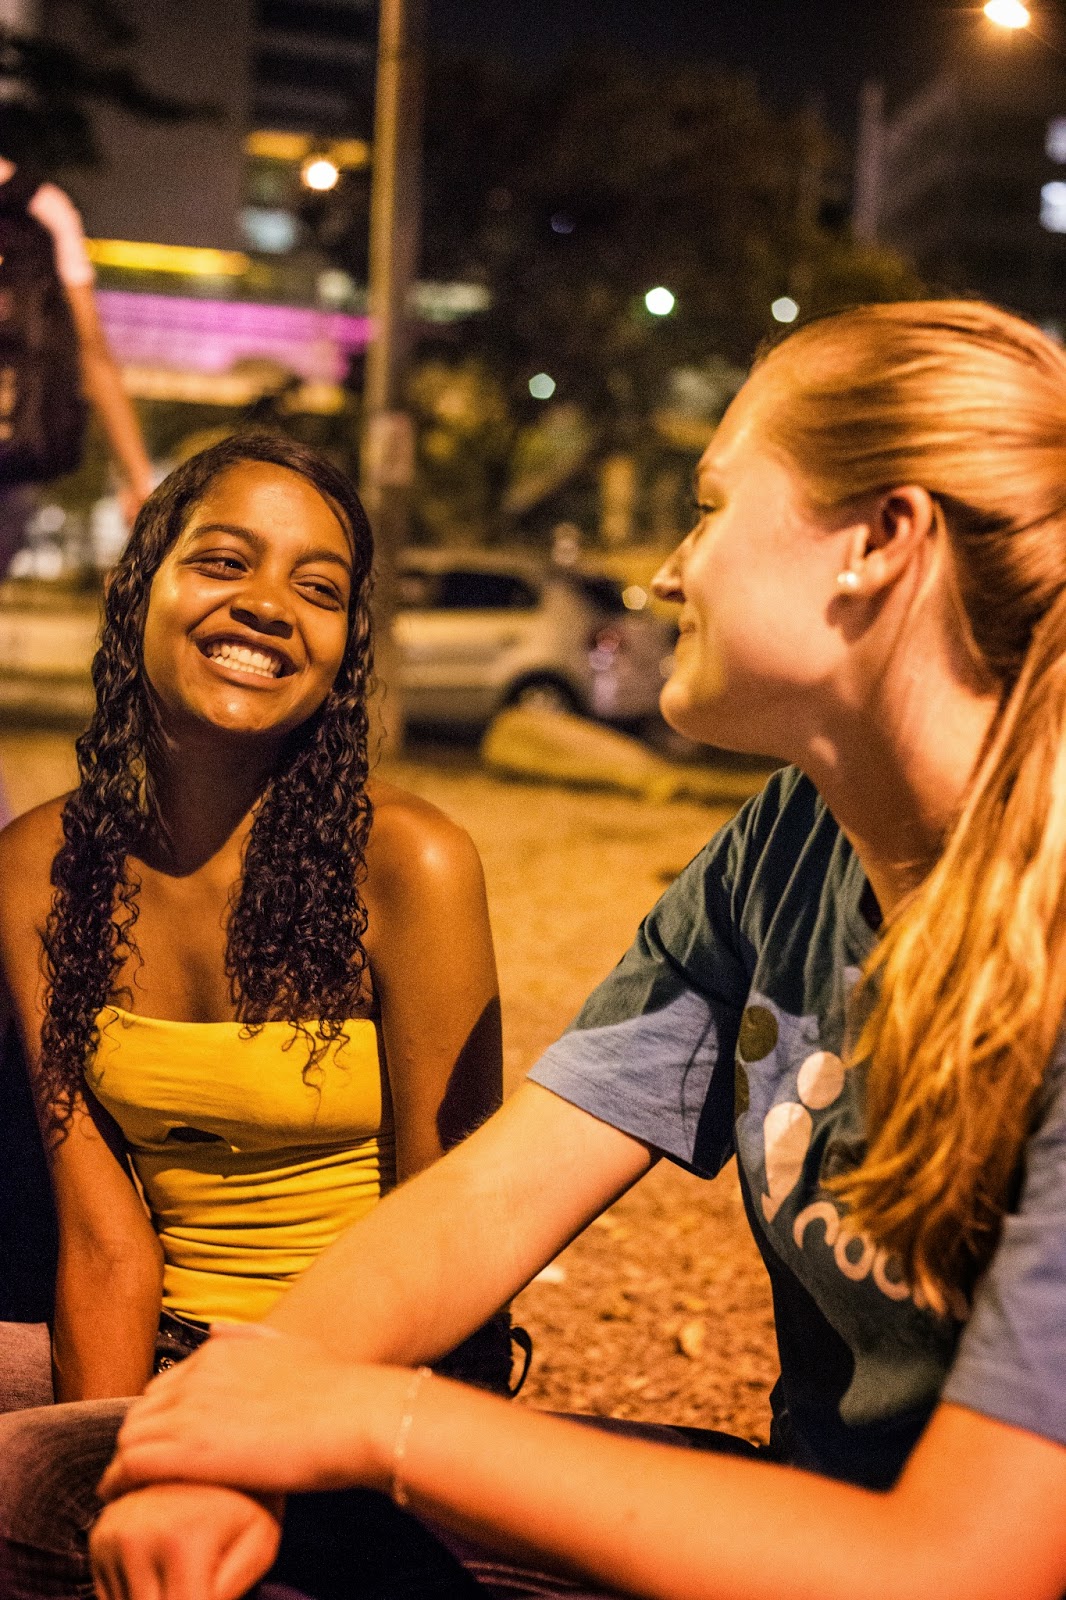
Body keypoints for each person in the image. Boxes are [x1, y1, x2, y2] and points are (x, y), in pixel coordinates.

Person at [8, 298, 1066, 1600]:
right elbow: (492, 1195)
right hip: (792, 1511)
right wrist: (228, 1421)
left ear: (879, 543)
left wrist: (372, 1424)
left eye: (709, 507)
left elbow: (970, 1565)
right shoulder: (789, 843)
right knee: (57, 1483)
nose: (668, 571)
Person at [0, 430, 507, 1586]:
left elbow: (456, 1239)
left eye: (318, 589)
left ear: (344, 646)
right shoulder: (35, 871)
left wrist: (282, 1442)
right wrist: (121, 1477)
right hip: (164, 1365)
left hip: (363, 1388)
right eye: (224, 561)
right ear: (141, 585)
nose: (270, 606)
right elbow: (105, 1242)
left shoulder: (411, 866)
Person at [0, 158, 154, 570]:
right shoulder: (42, 206)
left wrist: (139, 478)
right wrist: (138, 478)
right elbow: (93, 353)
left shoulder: (39, 208)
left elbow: (92, 354)